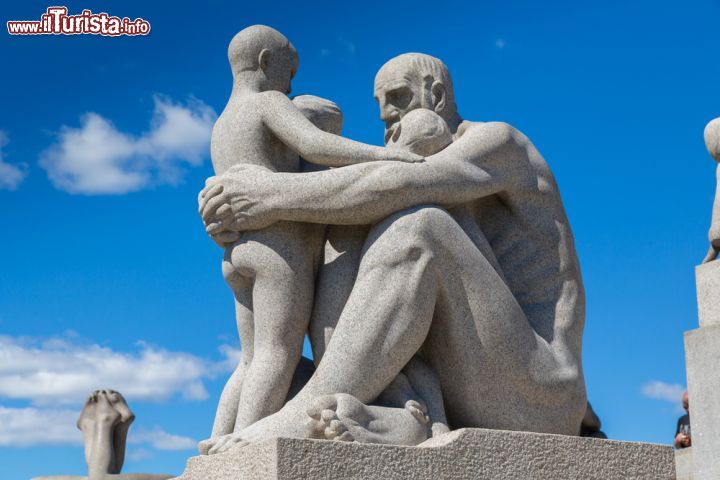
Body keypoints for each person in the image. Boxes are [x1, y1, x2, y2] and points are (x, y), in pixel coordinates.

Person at [199, 52, 588, 452]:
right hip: (460, 383)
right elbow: (366, 193)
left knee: (420, 229)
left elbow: (403, 182)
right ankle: (400, 413)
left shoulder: (499, 143)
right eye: (381, 107)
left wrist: (269, 195)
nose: (388, 117)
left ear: (436, 95)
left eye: (399, 98)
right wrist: (245, 222)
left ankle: (303, 412)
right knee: (346, 231)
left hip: (539, 393)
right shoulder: (412, 167)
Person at [206, 25, 424, 441]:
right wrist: (385, 155)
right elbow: (314, 145)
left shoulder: (222, 123)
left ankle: (217, 438)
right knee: (277, 352)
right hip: (278, 250)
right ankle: (245, 441)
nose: (292, 85)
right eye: (290, 71)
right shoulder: (268, 102)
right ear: (267, 62)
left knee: (248, 358)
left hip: (237, 252)